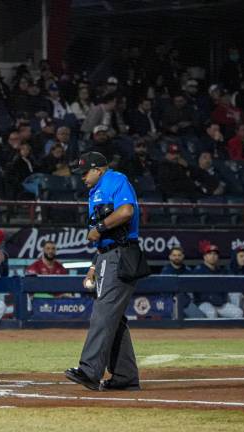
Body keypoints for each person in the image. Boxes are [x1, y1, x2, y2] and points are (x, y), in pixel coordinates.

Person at [65, 151, 145, 392]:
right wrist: (93, 266)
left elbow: (126, 211)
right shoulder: (96, 190)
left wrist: (99, 227)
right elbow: (106, 237)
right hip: (107, 256)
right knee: (114, 319)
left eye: (85, 172)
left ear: (98, 169)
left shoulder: (115, 180)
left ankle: (90, 371)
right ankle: (124, 376)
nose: (82, 178)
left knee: (103, 313)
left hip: (121, 256)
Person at [191, 244, 243, 319]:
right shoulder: (198, 271)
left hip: (220, 304)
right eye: (209, 253)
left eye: (215, 254)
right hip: (204, 303)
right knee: (211, 313)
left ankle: (230, 330)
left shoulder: (222, 271)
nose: (212, 256)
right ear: (204, 257)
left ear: (218, 257)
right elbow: (194, 292)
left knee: (238, 313)